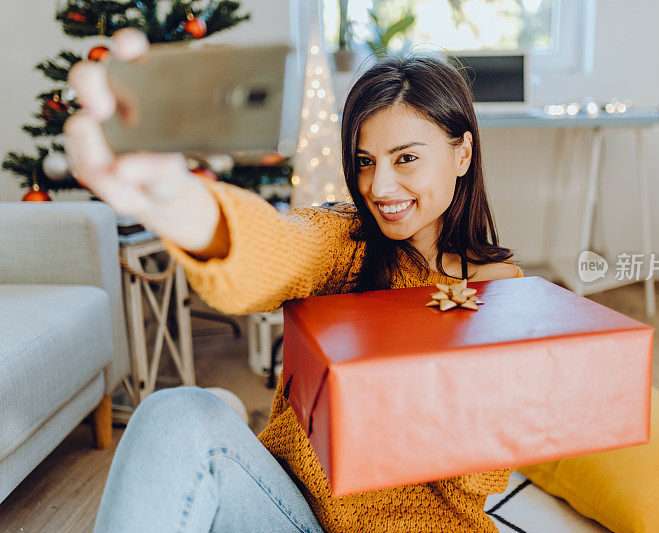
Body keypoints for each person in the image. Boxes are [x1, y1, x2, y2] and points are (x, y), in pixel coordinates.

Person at [66, 28, 524, 533]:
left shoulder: (502, 288)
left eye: (406, 157)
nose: (380, 186)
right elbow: (283, 248)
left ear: (462, 153)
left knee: (219, 408)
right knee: (179, 412)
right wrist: (178, 202)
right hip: (290, 515)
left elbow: (484, 474)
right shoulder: (347, 242)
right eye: (365, 162)